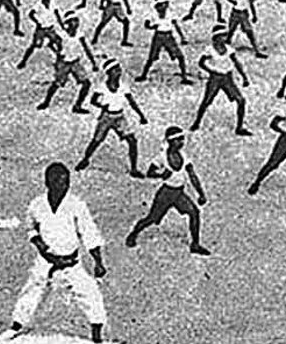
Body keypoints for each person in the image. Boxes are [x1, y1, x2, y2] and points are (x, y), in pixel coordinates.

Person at [10, 162, 108, 340]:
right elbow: (31, 228)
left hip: (71, 262)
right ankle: (16, 326)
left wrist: (98, 262)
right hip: (46, 260)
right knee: (32, 291)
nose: (64, 186)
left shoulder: (76, 205)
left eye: (66, 182)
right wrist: (39, 245)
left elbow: (89, 233)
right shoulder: (37, 204)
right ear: (48, 183)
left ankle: (97, 334)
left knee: (89, 293)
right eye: (59, 182)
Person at [125, 128, 211, 256]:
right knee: (152, 219)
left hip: (179, 194)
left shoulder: (184, 156)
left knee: (194, 212)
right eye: (178, 140)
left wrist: (201, 193)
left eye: (182, 139)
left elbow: (193, 175)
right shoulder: (161, 157)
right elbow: (149, 173)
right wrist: (161, 174)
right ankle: (133, 234)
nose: (182, 142)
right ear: (170, 141)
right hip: (166, 194)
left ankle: (195, 244)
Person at [77, 60, 151, 172]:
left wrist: (141, 115)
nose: (119, 72)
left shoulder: (123, 86)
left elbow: (132, 101)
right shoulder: (102, 86)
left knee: (132, 141)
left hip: (120, 116)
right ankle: (86, 159)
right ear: (109, 72)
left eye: (119, 69)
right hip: (106, 117)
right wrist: (102, 106)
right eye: (116, 70)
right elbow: (93, 100)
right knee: (96, 141)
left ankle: (134, 169)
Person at [189, 31, 253, 135]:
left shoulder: (229, 49)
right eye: (222, 36)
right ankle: (196, 123)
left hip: (228, 78)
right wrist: (212, 70)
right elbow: (201, 63)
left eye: (225, 35)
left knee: (241, 100)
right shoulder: (209, 50)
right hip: (215, 78)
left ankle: (239, 127)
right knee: (206, 101)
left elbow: (236, 62)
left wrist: (244, 77)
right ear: (216, 37)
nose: (225, 38)